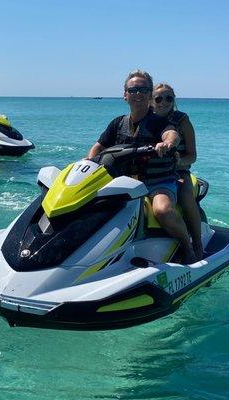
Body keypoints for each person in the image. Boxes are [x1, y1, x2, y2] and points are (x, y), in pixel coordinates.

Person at [87, 70, 196, 263]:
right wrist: (88, 163)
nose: (138, 93)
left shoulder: (158, 122)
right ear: (125, 94)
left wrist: (167, 143)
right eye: (133, 89)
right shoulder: (118, 123)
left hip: (158, 182)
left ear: (149, 95)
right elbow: (98, 146)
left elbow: (171, 134)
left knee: (162, 210)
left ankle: (188, 249)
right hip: (124, 182)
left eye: (143, 89)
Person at [152, 83, 203, 260]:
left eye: (169, 98)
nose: (163, 102)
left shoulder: (182, 120)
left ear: (174, 100)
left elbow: (192, 155)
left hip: (178, 172)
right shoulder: (146, 119)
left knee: (186, 197)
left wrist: (179, 162)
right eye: (158, 98)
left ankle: (197, 245)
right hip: (151, 174)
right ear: (151, 101)